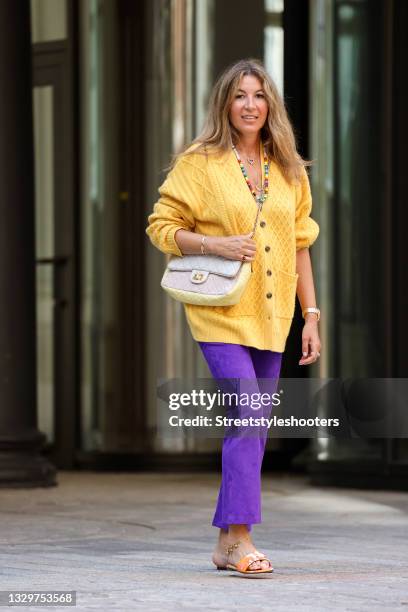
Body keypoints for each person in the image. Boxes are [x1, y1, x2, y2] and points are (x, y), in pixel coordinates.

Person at [146, 58, 321, 575]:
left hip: (272, 314)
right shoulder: (200, 163)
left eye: (259, 95)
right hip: (220, 311)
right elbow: (162, 225)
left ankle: (226, 541)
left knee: (254, 423)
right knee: (248, 413)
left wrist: (310, 314)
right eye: (240, 95)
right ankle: (241, 538)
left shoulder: (287, 166)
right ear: (225, 103)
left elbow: (301, 243)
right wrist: (215, 244)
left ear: (271, 105)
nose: (250, 105)